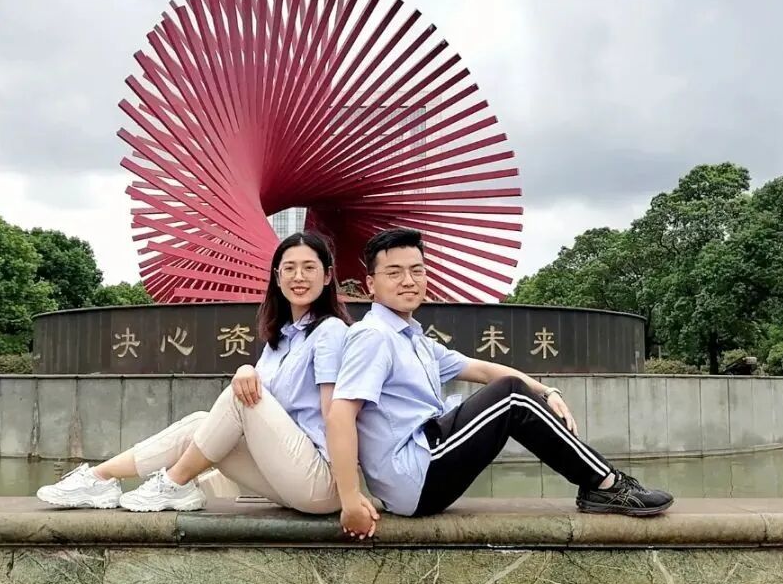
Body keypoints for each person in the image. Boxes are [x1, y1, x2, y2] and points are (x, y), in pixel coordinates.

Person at [326, 228, 674, 538]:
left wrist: (547, 391)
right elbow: (341, 414)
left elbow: (482, 370)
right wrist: (350, 499)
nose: (408, 281)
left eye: (417, 271)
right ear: (371, 284)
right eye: (394, 273)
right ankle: (606, 484)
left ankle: (602, 483)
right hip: (414, 474)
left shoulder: (413, 340)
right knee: (510, 397)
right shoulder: (373, 336)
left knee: (511, 393)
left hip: (426, 463)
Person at [37, 230, 350, 514]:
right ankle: (99, 478)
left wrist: (350, 496)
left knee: (239, 397)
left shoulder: (330, 331)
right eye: (289, 268)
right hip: (287, 476)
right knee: (201, 422)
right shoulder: (279, 340)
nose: (299, 277)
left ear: (327, 276)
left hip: (322, 481)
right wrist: (245, 368)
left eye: (309, 268)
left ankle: (174, 482)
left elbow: (335, 416)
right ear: (277, 277)